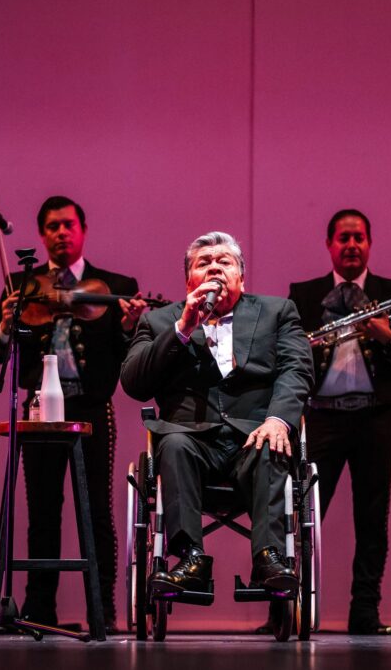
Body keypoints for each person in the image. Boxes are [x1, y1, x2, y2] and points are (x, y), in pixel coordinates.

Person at [120, 231, 313, 597]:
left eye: (224, 261)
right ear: (188, 281)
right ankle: (190, 558)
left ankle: (269, 559)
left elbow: (297, 369)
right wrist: (183, 329)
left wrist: (278, 420)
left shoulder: (277, 312)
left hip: (254, 435)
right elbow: (134, 383)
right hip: (191, 441)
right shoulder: (159, 322)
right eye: (203, 263)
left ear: (242, 277)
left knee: (274, 445)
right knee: (173, 444)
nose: (214, 268)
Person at [0, 195, 145, 632]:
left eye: (68, 225)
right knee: (42, 512)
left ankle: (102, 610)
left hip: (91, 408)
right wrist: (4, 326)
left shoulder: (114, 285)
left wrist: (128, 326)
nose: (61, 233)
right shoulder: (22, 286)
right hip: (39, 410)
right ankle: (39, 610)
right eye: (53, 227)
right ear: (42, 235)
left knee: (96, 511)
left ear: (83, 230)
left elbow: (128, 355)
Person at [287, 209, 391, 634]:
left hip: (374, 418)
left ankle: (364, 612)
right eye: (343, 238)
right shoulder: (304, 295)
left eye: (359, 238)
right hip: (322, 418)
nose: (351, 245)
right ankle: (289, 611)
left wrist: (386, 336)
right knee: (304, 516)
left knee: (372, 518)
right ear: (329, 245)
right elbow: (286, 357)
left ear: (369, 243)